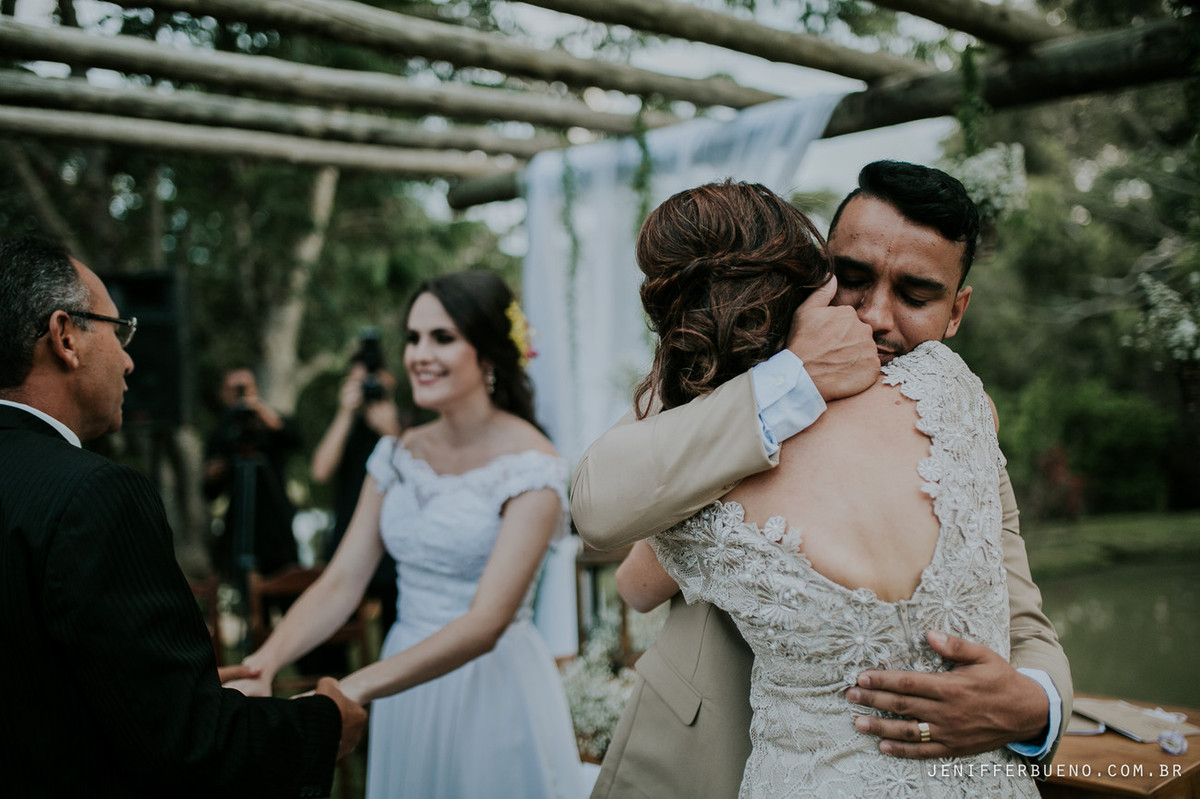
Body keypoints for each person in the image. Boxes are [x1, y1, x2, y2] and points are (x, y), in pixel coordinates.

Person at [575, 163, 1072, 798]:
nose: (873, 316)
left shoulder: (958, 410)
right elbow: (618, 538)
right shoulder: (730, 381)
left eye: (916, 296)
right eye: (852, 279)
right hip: (705, 742)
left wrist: (1036, 709)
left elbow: (1022, 620)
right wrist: (794, 379)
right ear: (814, 274)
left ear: (956, 312)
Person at [0, 236, 366, 798]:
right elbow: (188, 748)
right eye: (117, 331)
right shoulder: (95, 495)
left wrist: (167, 687)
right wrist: (324, 726)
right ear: (65, 336)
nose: (128, 358)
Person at [228, 270, 583, 798]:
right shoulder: (397, 454)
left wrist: (350, 689)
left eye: (442, 338)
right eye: (413, 338)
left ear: (488, 353)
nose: (419, 353)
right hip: (405, 686)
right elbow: (342, 580)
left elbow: (486, 622)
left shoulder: (534, 466)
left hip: (489, 687)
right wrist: (264, 663)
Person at [310, 330, 403, 633]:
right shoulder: (345, 426)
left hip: (393, 543)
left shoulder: (400, 421)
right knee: (337, 629)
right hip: (349, 536)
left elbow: (414, 472)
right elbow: (320, 471)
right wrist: (344, 413)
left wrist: (388, 426)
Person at [204, 366, 303, 578]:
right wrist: (214, 472)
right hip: (240, 530)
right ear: (223, 394)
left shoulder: (270, 425)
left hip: (277, 531)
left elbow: (295, 440)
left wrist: (262, 413)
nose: (240, 395)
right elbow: (209, 492)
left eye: (245, 388)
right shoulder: (222, 435)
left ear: (255, 390)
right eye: (234, 390)